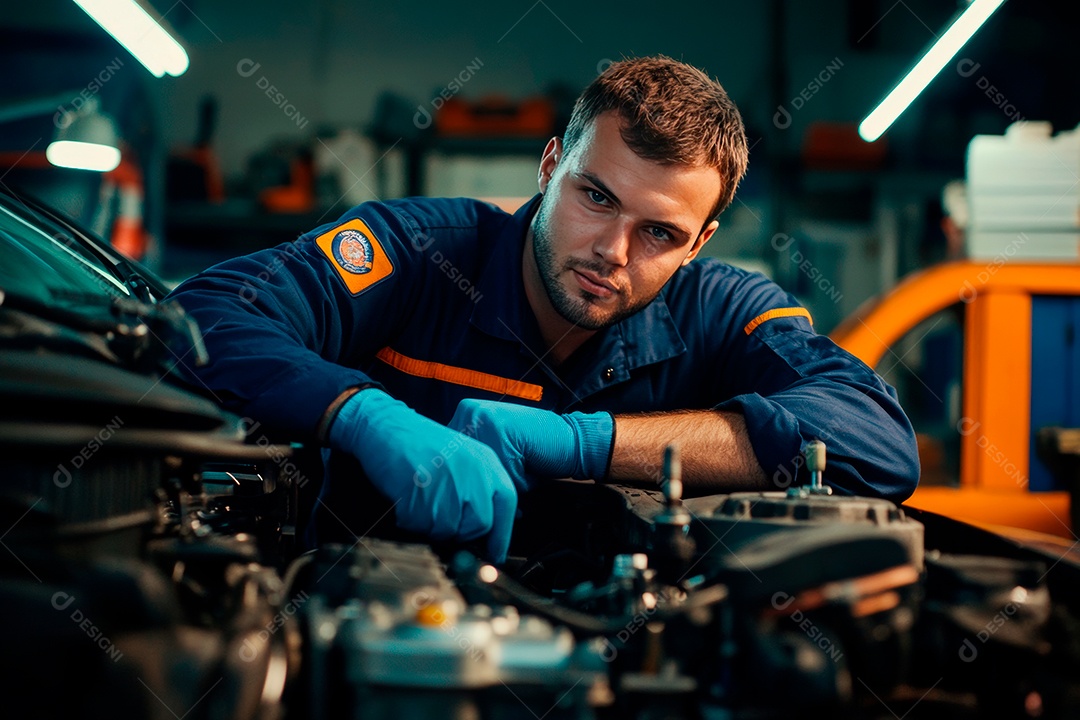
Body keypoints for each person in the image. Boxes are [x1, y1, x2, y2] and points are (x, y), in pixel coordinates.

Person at [165, 56, 919, 564]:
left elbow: (877, 441)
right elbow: (204, 316)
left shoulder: (725, 310)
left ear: (700, 243)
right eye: (596, 197)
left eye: (659, 233)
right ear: (551, 164)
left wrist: (583, 442)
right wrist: (365, 416)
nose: (613, 252)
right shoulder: (419, 252)